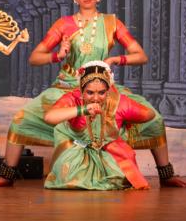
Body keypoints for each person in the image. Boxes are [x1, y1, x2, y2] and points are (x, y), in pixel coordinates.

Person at [0, 0, 186, 188]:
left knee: (154, 119)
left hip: (101, 89)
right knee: (21, 120)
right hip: (68, 87)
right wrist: (58, 56)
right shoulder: (64, 24)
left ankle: (166, 175)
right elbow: (35, 58)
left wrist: (115, 59)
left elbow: (140, 55)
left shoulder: (111, 23)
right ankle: (7, 175)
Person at [43, 61, 153, 190]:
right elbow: (49, 117)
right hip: (77, 150)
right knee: (70, 174)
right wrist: (83, 110)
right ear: (81, 90)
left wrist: (125, 123)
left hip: (106, 151)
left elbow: (149, 114)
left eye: (101, 93)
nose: (96, 98)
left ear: (108, 91)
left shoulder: (117, 102)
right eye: (90, 93)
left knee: (120, 174)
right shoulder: (74, 99)